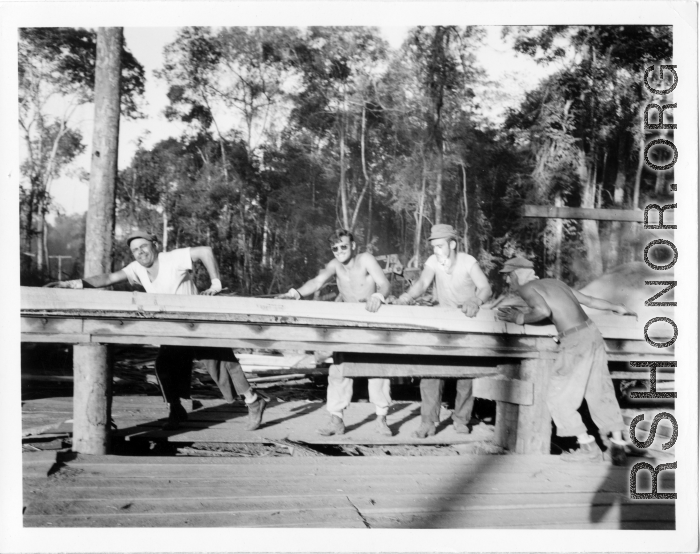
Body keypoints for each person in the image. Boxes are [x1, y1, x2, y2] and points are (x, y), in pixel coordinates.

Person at [45, 230, 267, 431]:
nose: (140, 252)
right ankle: (176, 410)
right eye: (135, 250)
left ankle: (253, 400)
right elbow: (108, 278)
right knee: (164, 365)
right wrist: (72, 284)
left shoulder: (171, 259)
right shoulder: (136, 269)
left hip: (197, 321)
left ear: (154, 244)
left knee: (220, 360)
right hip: (172, 328)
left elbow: (205, 251)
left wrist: (215, 283)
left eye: (143, 246)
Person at [496, 256, 636, 464]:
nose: (508, 281)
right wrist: (616, 307)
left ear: (516, 274)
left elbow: (543, 311)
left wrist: (520, 318)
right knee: (599, 390)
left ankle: (588, 446)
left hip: (575, 342)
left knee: (557, 396)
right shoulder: (555, 283)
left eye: (508, 276)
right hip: (592, 334)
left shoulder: (526, 289)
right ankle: (618, 445)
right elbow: (588, 301)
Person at [277, 229, 393, 436]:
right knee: (339, 370)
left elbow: (384, 283)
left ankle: (382, 419)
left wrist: (378, 296)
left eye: (343, 246)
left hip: (371, 319)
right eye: (335, 248)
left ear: (353, 246)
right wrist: (294, 293)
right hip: (347, 323)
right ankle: (336, 419)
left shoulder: (365, 259)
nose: (339, 251)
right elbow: (316, 282)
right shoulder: (335, 266)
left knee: (377, 371)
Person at [395, 224, 492, 438]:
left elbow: (486, 287)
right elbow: (422, 283)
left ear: (453, 244)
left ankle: (461, 420)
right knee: (431, 373)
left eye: (440, 246)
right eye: (433, 247)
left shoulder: (468, 262)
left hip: (468, 322)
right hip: (443, 322)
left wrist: (476, 300)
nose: (436, 251)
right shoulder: (433, 262)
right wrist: (406, 298)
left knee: (466, 374)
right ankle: (428, 422)